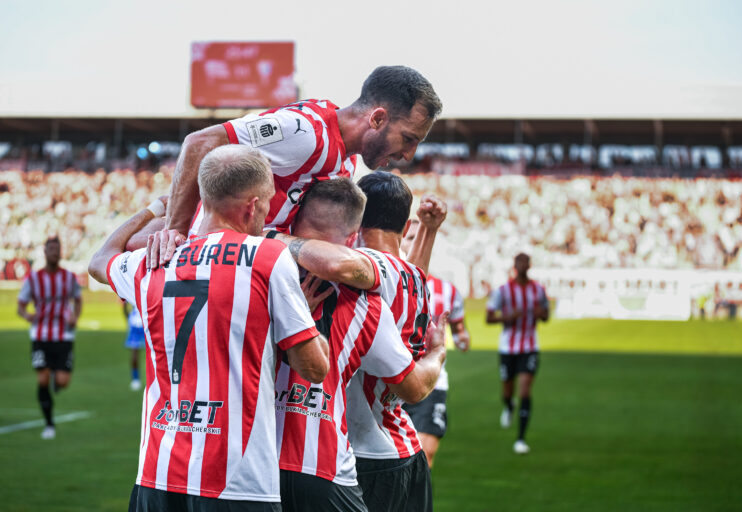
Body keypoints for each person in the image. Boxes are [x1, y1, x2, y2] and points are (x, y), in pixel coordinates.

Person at [89, 145, 330, 511]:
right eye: (265, 205)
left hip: (157, 476)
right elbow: (314, 368)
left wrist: (158, 208)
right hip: (237, 482)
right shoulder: (267, 256)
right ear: (252, 206)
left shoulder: (155, 260)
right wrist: (305, 319)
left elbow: (100, 260)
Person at [268, 171, 446, 511]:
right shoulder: (415, 277)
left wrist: (268, 236)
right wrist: (429, 231)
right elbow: (406, 269)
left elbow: (342, 265)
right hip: (403, 443)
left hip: (365, 451)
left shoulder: (372, 270)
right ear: (404, 227)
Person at [141, 65, 442, 262]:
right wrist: (175, 230)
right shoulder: (306, 132)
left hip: (251, 265)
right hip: (211, 260)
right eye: (408, 139)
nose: (408, 156)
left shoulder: (346, 161)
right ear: (377, 118)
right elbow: (200, 142)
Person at [400, 220, 471, 468]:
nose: (414, 244)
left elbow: (460, 330)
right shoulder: (389, 282)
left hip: (431, 381)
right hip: (392, 380)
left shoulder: (447, 291)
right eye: (409, 238)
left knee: (423, 455)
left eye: (420, 238)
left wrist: (462, 339)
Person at [17, 235, 82, 440]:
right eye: (51, 249)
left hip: (64, 335)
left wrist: (75, 316)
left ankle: (56, 376)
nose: (54, 252)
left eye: (57, 249)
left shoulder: (69, 278)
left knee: (62, 382)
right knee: (42, 378)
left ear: (60, 252)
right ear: (45, 252)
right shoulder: (33, 279)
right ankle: (49, 423)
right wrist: (27, 314)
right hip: (40, 335)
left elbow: (78, 300)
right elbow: (21, 305)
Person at [486, 253, 549, 455]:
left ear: (529, 265)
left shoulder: (538, 290)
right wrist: (507, 317)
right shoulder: (503, 291)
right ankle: (509, 405)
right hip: (508, 348)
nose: (522, 265)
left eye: (525, 262)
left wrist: (541, 314)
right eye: (519, 262)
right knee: (507, 391)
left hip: (530, 347)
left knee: (524, 390)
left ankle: (521, 438)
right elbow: (489, 318)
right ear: (514, 265)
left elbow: (546, 314)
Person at [122, 300, 145, 391]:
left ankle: (157, 378)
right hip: (136, 322)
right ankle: (136, 379)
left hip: (146, 317)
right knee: (134, 354)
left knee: (155, 353)